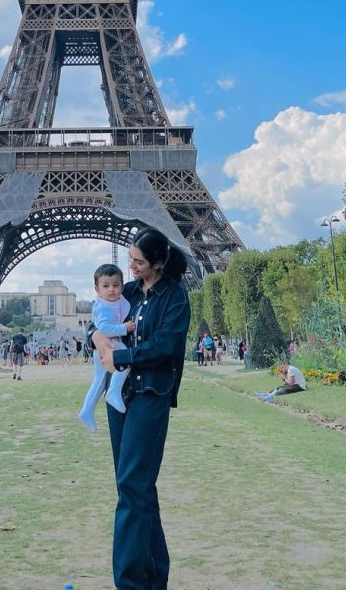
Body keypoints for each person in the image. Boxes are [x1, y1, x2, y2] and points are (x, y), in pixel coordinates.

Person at [90, 227, 191, 590]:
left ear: (159, 262)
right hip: (120, 397)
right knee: (136, 487)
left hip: (151, 394)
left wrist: (122, 356)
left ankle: (132, 583)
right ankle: (151, 579)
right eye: (130, 258)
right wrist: (95, 336)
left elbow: (167, 347)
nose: (130, 266)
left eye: (138, 261)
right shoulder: (128, 291)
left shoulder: (175, 297)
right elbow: (102, 317)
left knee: (133, 485)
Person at [77, 263, 136, 432]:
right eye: (106, 286)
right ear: (97, 289)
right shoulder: (103, 306)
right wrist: (124, 328)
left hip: (105, 345)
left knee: (99, 381)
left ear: (122, 286)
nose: (112, 289)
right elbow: (102, 328)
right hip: (110, 343)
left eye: (116, 285)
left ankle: (87, 410)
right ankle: (113, 392)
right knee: (125, 361)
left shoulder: (118, 300)